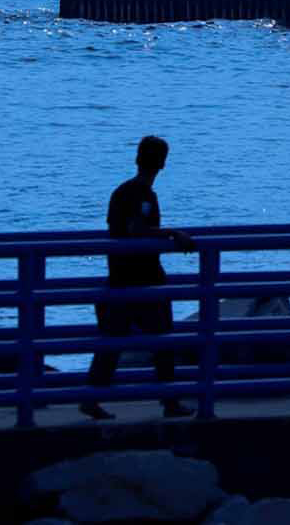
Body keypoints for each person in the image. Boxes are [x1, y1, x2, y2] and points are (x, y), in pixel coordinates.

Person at [82, 135, 195, 421]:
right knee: (162, 341)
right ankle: (170, 401)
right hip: (143, 279)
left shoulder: (122, 191)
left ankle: (91, 398)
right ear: (163, 163)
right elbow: (136, 229)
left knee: (112, 342)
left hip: (120, 275)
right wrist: (171, 233)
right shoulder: (142, 195)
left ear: (137, 158)